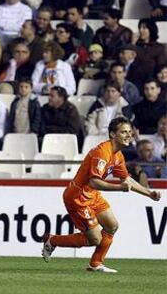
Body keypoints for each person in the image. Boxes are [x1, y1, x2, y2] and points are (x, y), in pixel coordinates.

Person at [42, 117, 162, 273]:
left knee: (112, 225)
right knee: (95, 239)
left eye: (130, 132)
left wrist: (149, 193)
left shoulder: (118, 156)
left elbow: (127, 179)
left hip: (92, 195)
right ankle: (52, 240)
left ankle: (95, 264)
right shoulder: (102, 152)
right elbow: (94, 182)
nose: (128, 135)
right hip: (78, 197)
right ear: (112, 134)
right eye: (124, 132)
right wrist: (120, 188)